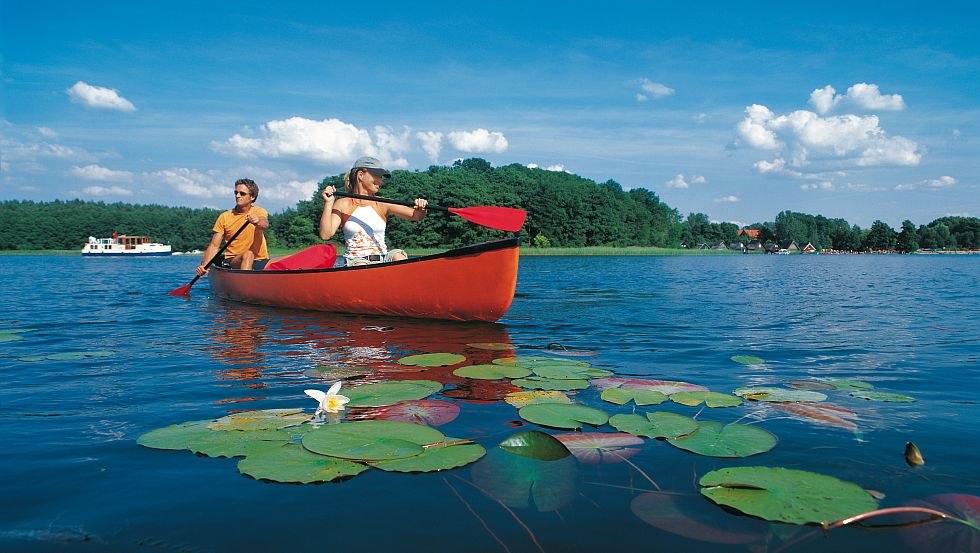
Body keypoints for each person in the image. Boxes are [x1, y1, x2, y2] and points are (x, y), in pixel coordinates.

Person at [319, 156, 428, 266]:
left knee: (399, 256)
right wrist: (328, 203)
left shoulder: (382, 203)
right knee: (361, 265)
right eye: (377, 176)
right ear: (360, 175)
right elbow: (325, 235)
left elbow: (416, 216)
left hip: (383, 258)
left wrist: (421, 208)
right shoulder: (343, 204)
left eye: (381, 178)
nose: (380, 182)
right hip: (356, 261)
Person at [196, 178, 269, 275]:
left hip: (260, 260)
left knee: (283, 260)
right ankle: (245, 286)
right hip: (233, 260)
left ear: (252, 197)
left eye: (242, 193)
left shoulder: (259, 211)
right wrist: (204, 265)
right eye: (236, 193)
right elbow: (214, 245)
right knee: (248, 254)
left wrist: (257, 221)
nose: (238, 196)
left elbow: (264, 224)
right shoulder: (224, 217)